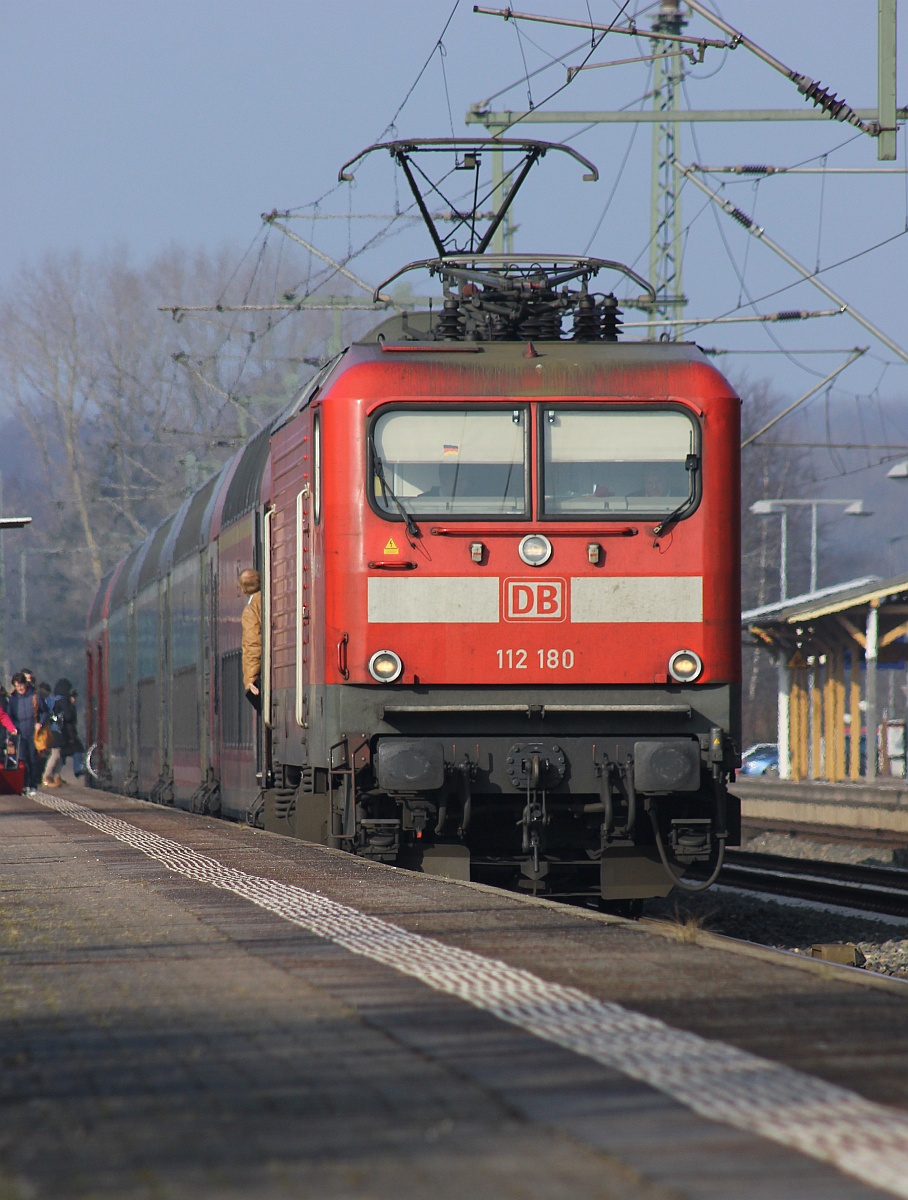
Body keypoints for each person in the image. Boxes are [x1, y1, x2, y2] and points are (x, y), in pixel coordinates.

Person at [41, 678, 84, 788]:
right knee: (55, 754)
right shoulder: (63, 701)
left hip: (52, 729)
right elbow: (69, 716)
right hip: (59, 731)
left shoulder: (54, 700)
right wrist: (71, 704)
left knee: (59, 754)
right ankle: (46, 776)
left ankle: (56, 777)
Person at [7, 672, 41, 795]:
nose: (19, 688)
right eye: (17, 686)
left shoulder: (34, 697)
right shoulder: (12, 699)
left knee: (32, 759)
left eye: (21, 685)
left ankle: (33, 784)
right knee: (21, 760)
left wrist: (40, 723)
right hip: (19, 734)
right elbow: (8, 717)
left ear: (25, 684)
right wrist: (10, 733)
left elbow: (45, 712)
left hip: (32, 732)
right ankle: (23, 784)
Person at [240, 568, 262, 711]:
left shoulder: (251, 610)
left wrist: (250, 679)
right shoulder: (267, 600)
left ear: (243, 590)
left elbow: (252, 644)